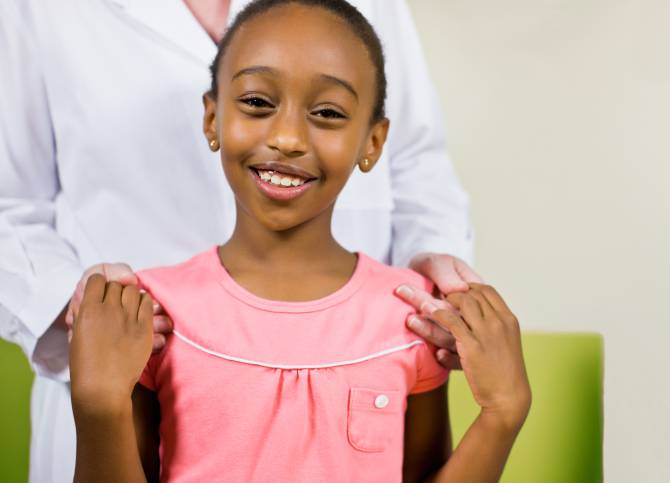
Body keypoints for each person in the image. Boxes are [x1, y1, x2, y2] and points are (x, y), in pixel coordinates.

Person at [1, 1, 476, 481]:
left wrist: (439, 285)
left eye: (327, 111)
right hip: (125, 347)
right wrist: (85, 319)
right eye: (256, 102)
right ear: (212, 119)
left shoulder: (398, 329)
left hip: (363, 355)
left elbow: (417, 161)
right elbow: (7, 202)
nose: (288, 138)